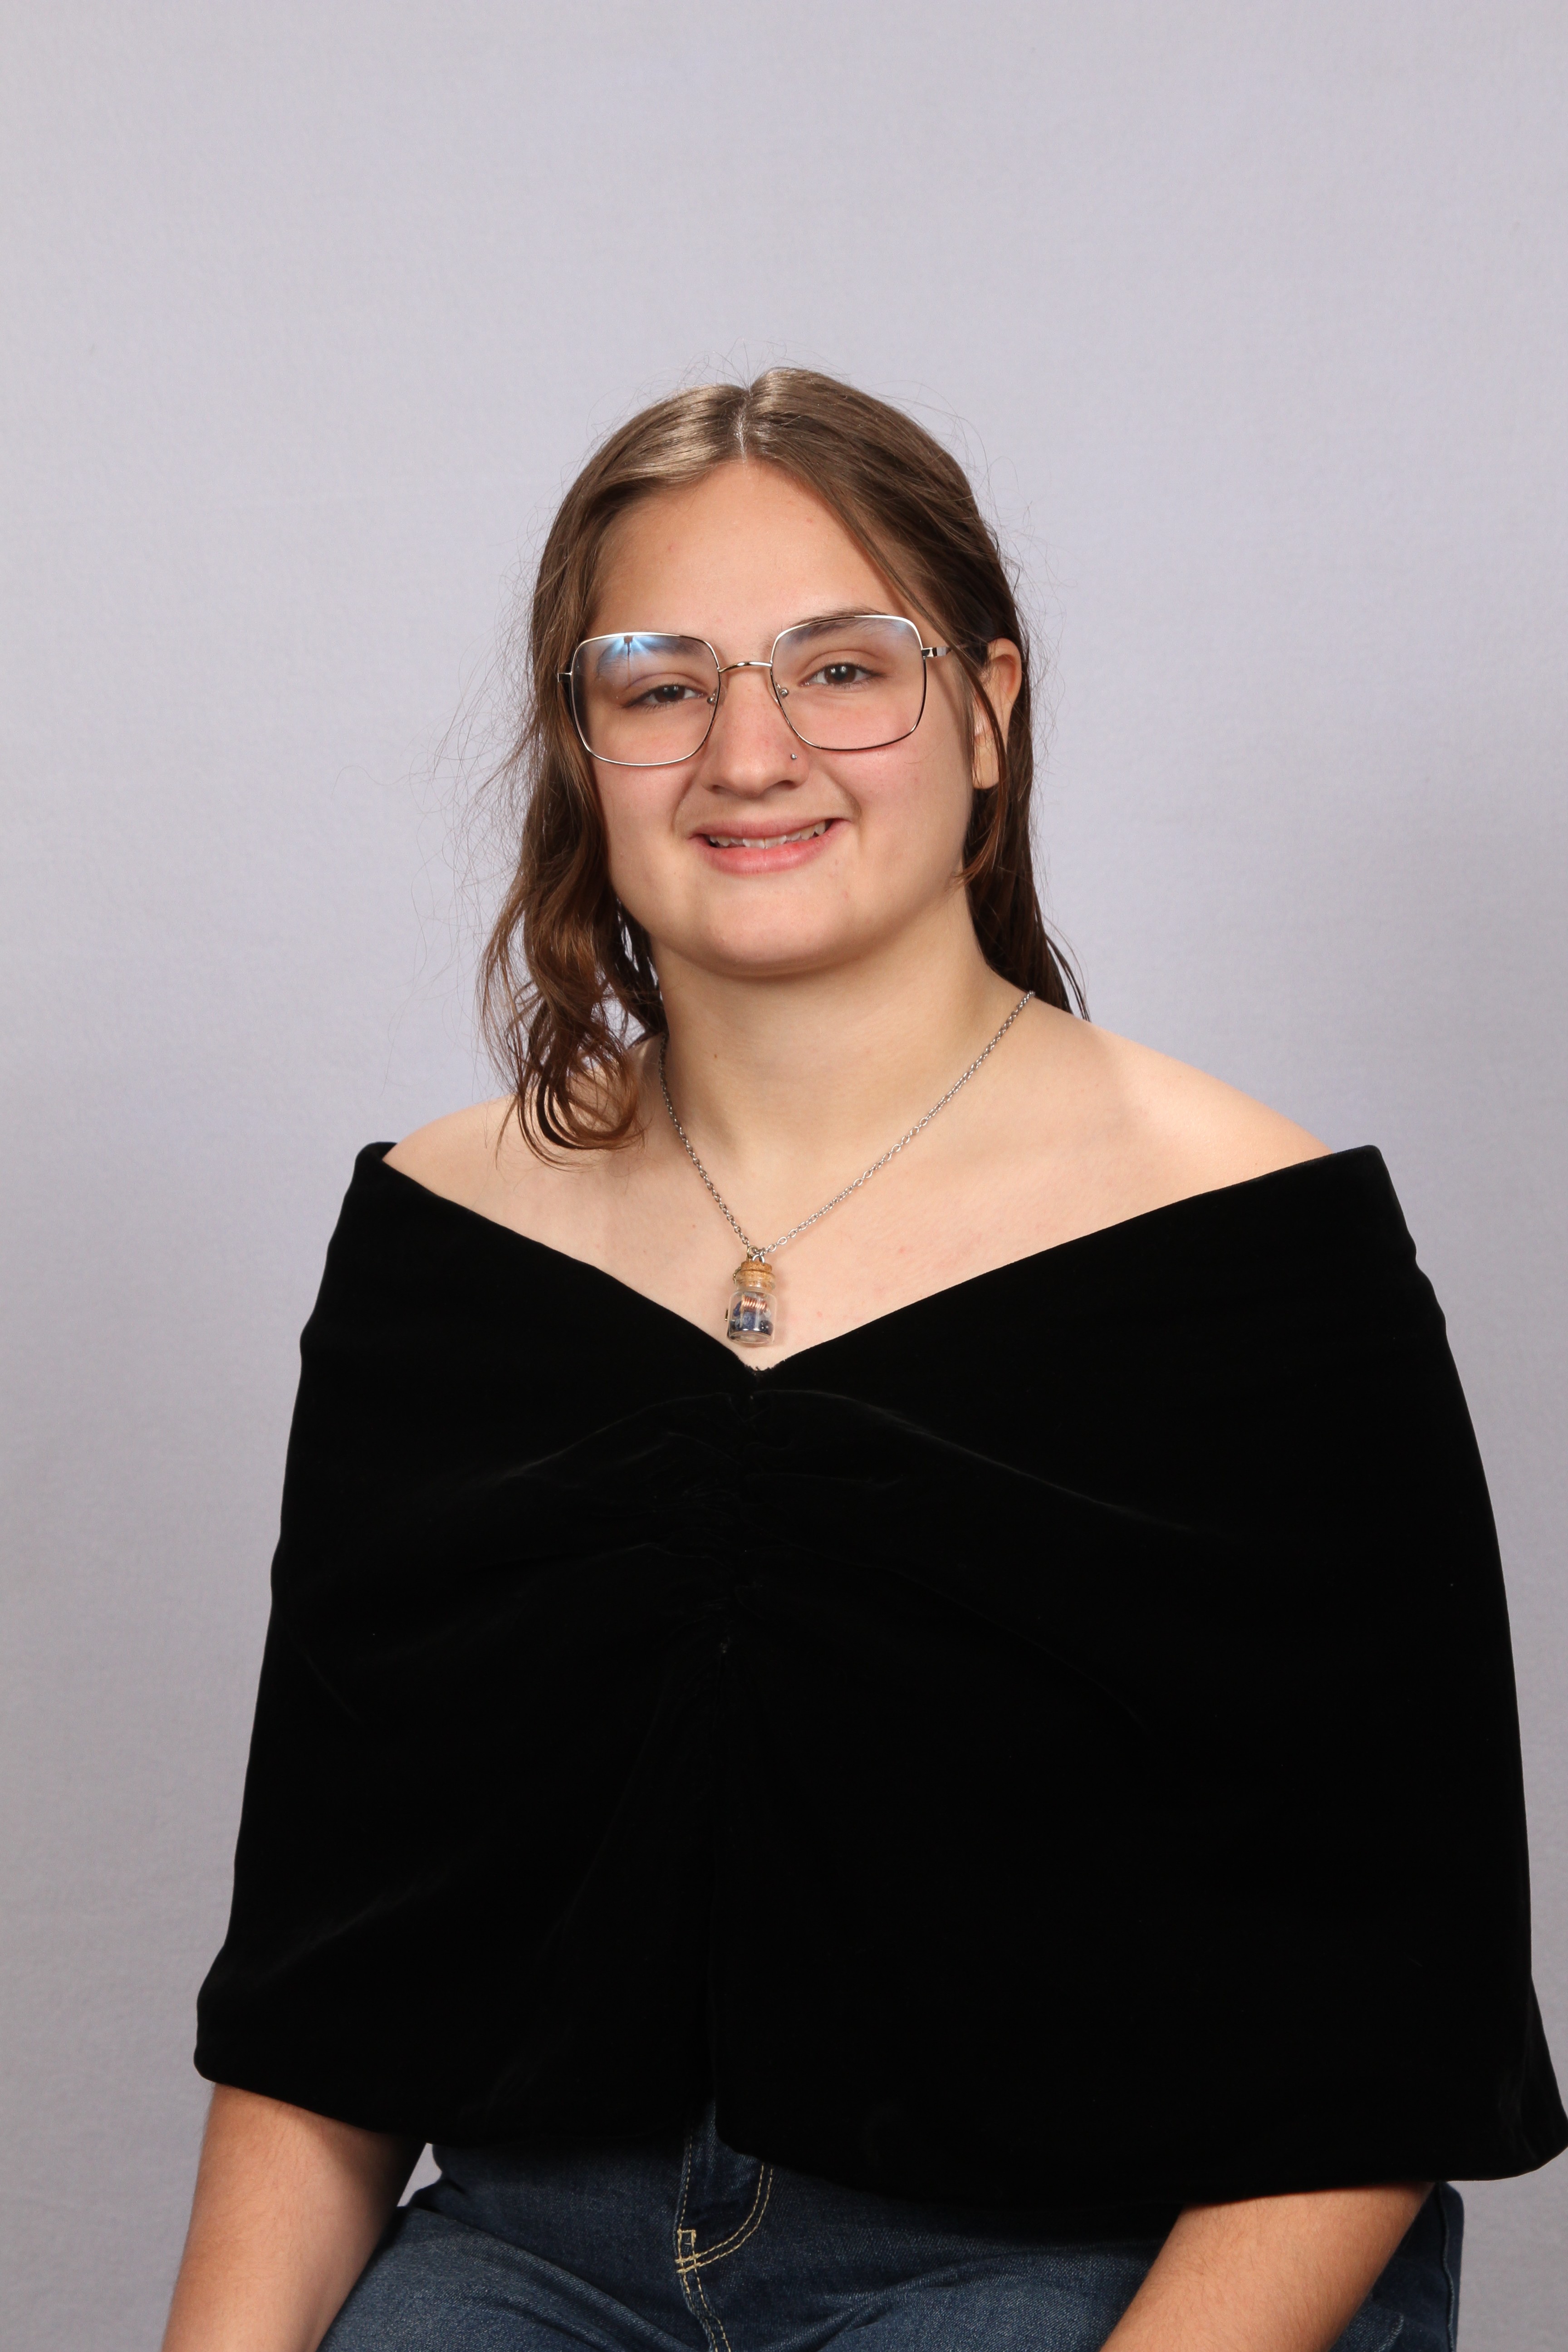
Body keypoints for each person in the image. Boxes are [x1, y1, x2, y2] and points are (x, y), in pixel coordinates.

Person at [162, 370, 1565, 2352]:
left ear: (986, 712)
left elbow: (1393, 2023)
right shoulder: (438, 1239)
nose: (751, 753)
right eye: (663, 684)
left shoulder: (1259, 1247)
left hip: (1079, 2259)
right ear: (583, 744)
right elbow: (330, 1985)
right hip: (539, 2258)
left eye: (842, 670)